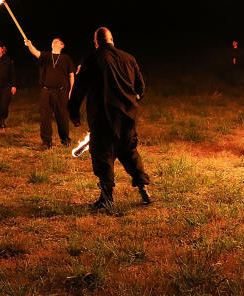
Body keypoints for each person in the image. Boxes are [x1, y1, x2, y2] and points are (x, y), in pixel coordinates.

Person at [68, 27, 151, 208]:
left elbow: (79, 89)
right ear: (112, 39)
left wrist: (74, 113)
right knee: (129, 153)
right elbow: (141, 87)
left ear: (96, 42)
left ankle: (107, 198)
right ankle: (144, 189)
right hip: (126, 117)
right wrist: (133, 101)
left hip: (102, 117)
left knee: (103, 155)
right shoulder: (129, 59)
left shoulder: (91, 59)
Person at [26, 37, 75, 149]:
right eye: (53, 41)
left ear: (62, 45)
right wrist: (30, 45)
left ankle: (65, 139)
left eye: (57, 41)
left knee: (62, 116)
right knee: (45, 117)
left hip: (61, 92)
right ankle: (46, 142)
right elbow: (36, 52)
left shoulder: (66, 58)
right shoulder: (46, 56)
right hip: (46, 91)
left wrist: (72, 90)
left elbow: (71, 75)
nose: (54, 42)